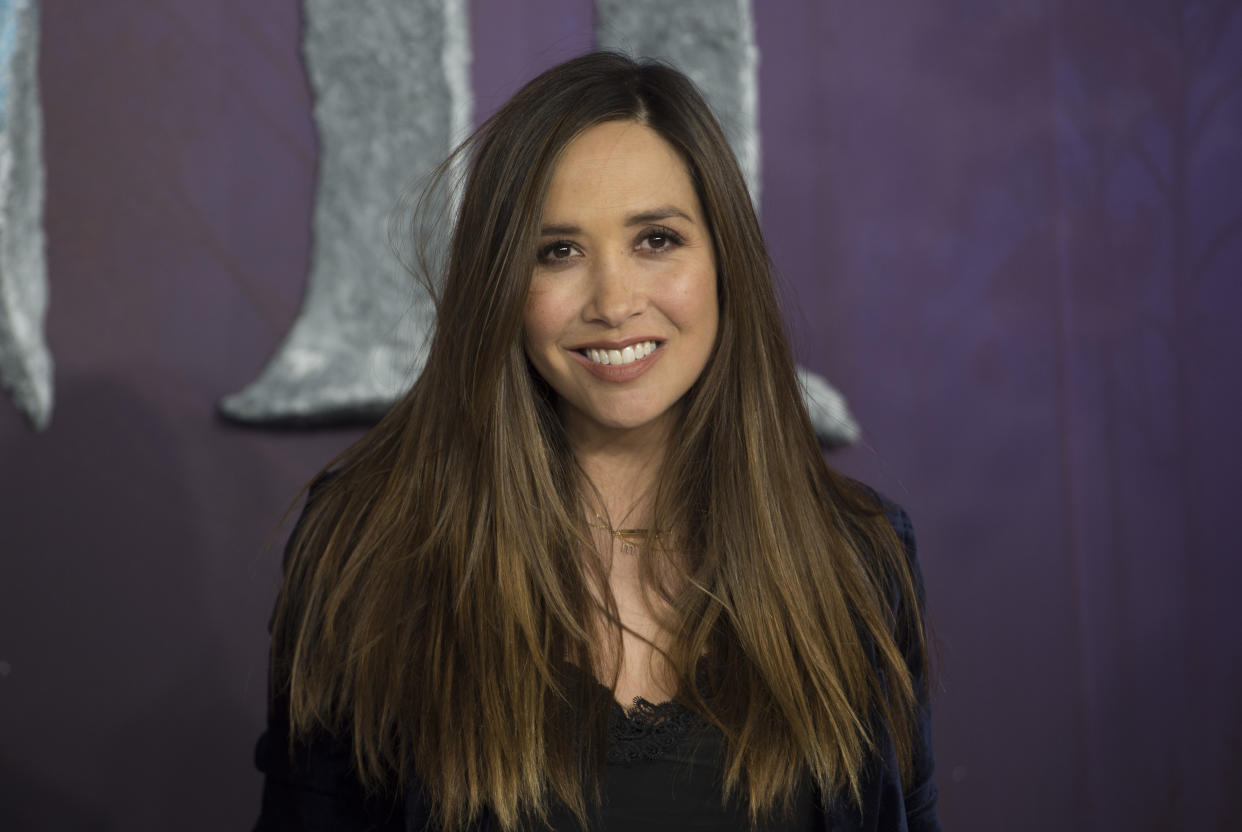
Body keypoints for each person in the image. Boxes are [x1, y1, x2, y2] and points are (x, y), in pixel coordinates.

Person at [253, 51, 940, 832]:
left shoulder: (858, 559)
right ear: (502, 288)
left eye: (656, 239)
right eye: (559, 252)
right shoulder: (370, 554)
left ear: (724, 261)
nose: (614, 302)